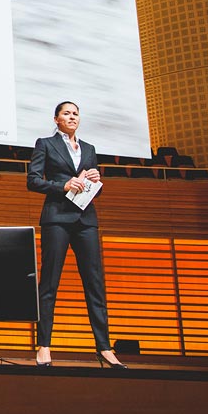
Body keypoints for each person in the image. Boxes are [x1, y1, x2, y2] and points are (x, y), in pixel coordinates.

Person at [26, 101, 126, 368]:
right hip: (57, 217)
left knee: (95, 284)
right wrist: (64, 184)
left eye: (75, 113)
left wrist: (95, 180)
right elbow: (33, 180)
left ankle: (104, 348)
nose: (72, 117)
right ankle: (44, 346)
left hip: (86, 219)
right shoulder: (45, 143)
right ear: (56, 119)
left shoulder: (90, 149)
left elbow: (95, 188)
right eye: (66, 113)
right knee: (49, 284)